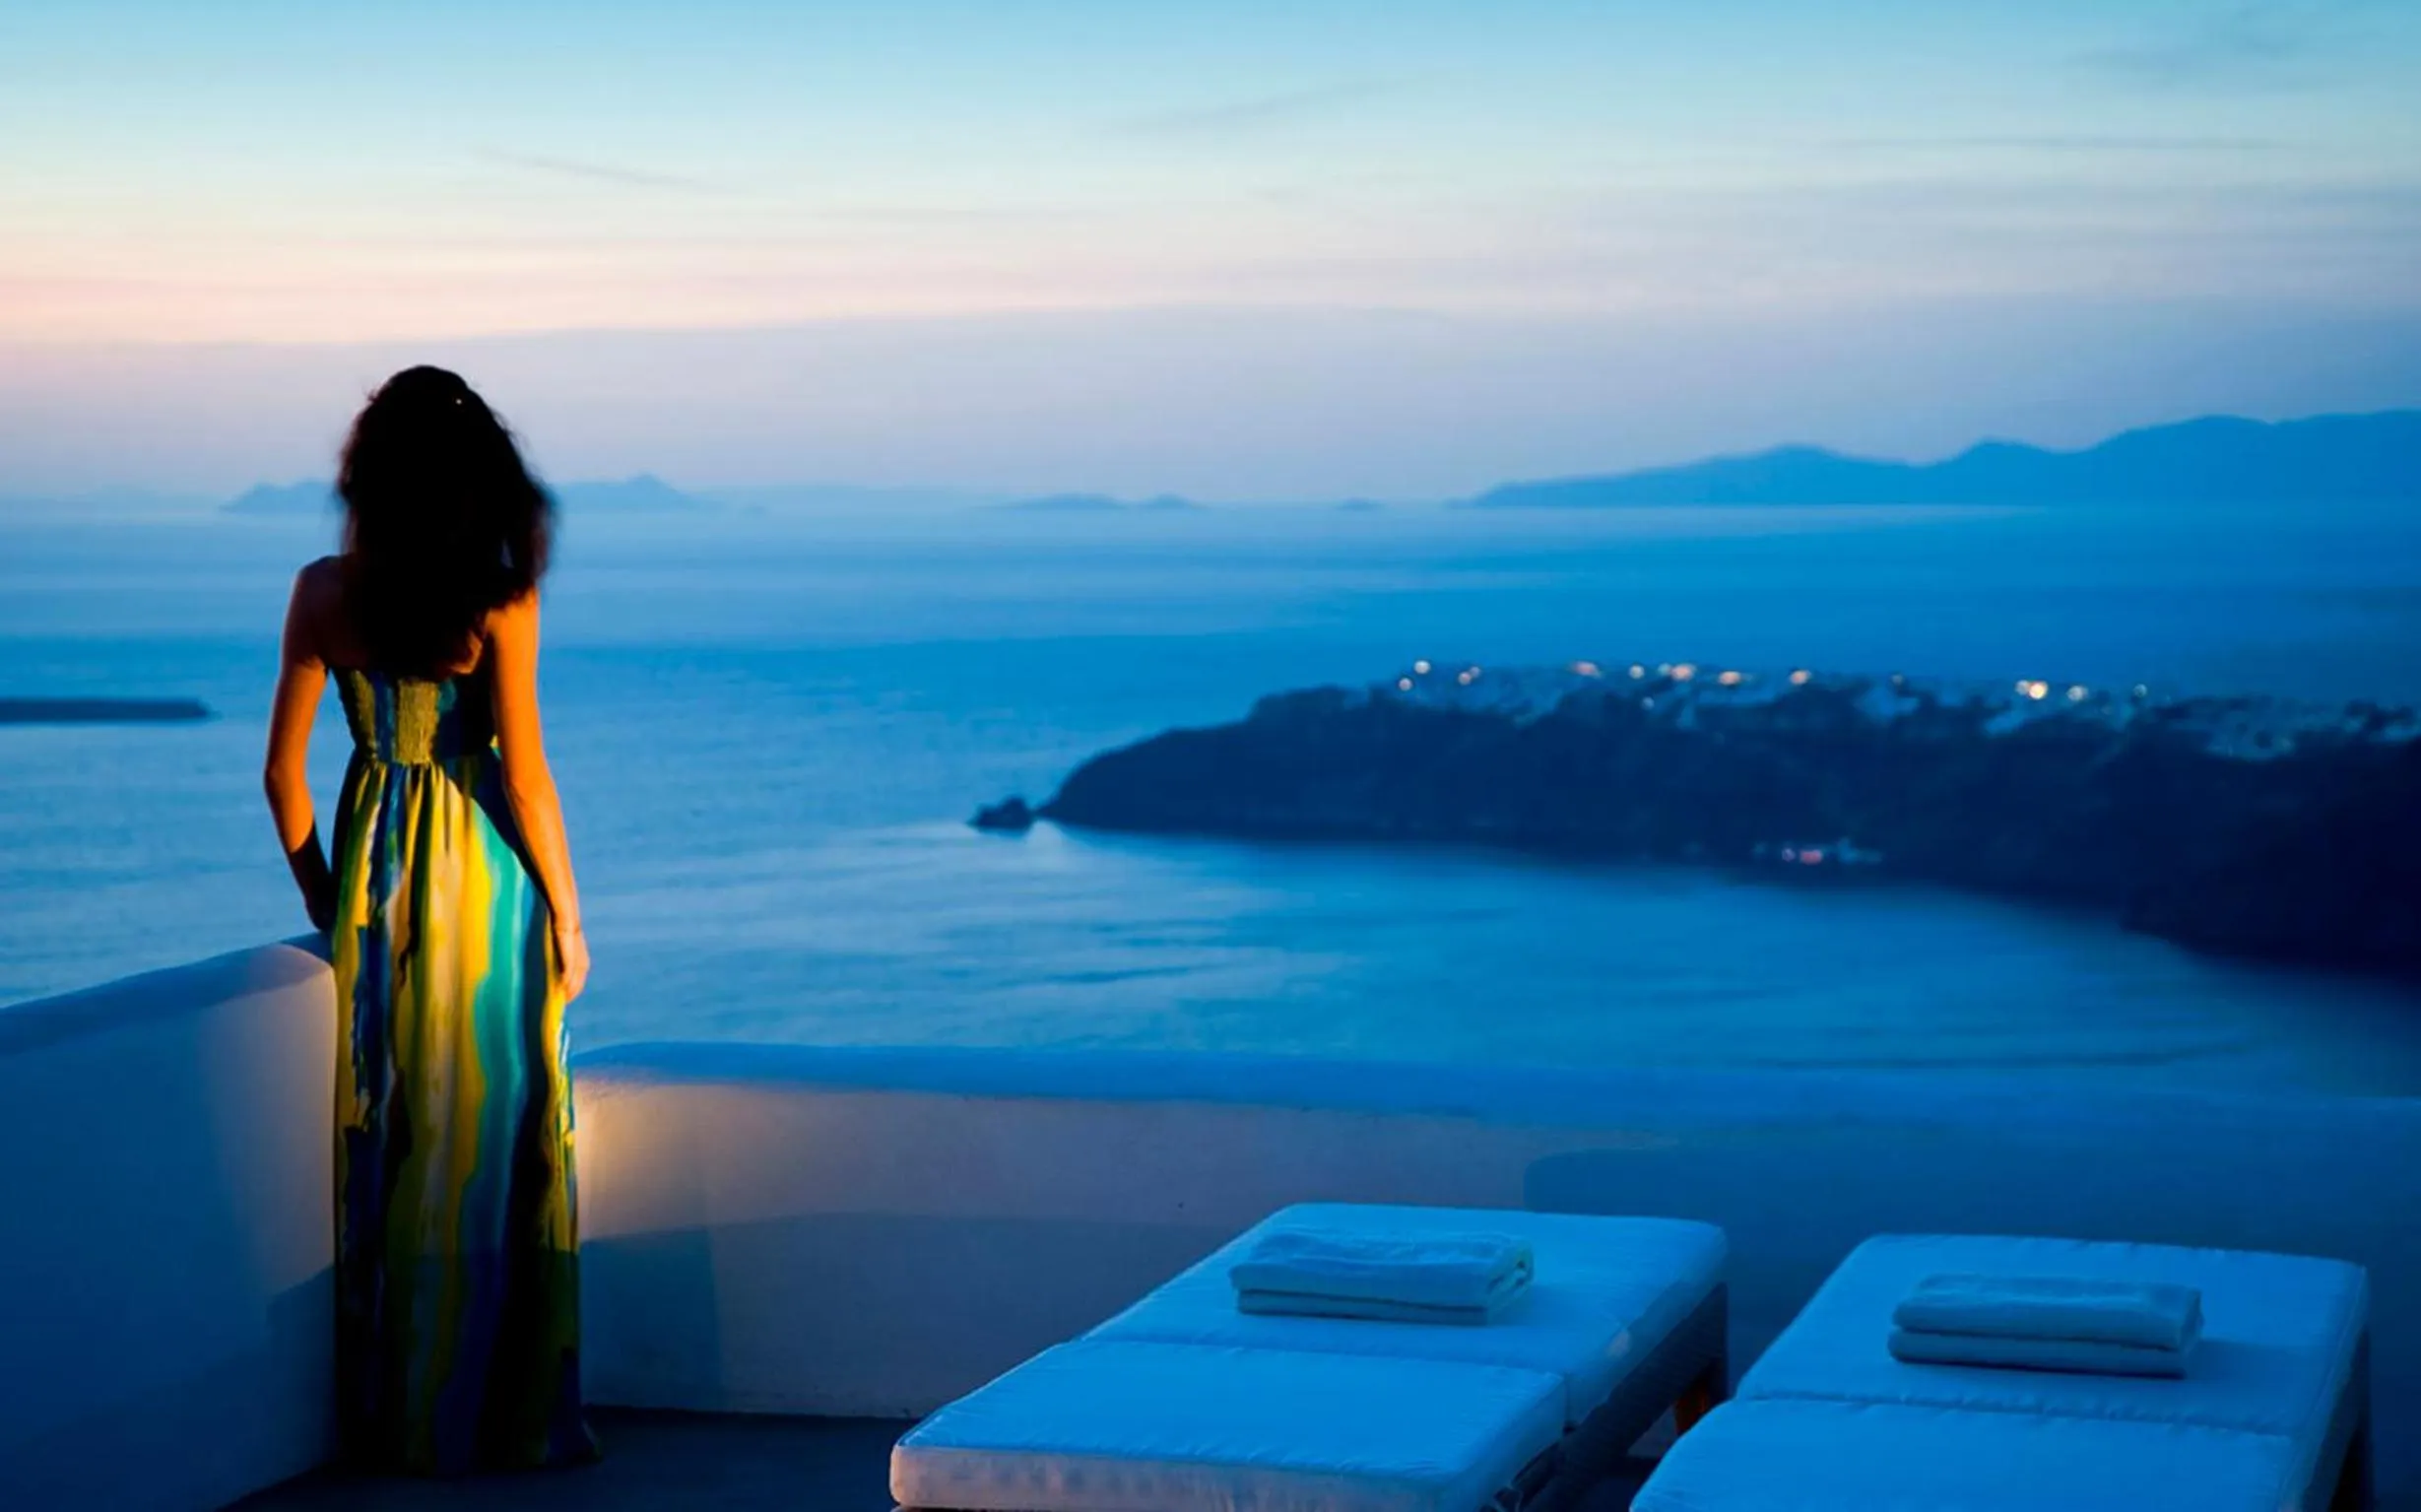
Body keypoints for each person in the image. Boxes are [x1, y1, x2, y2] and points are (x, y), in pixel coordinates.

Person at [262, 365, 597, 1474]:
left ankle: (402, 1412)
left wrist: (331, 894)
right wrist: (570, 916)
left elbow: (281, 780)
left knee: (390, 1132)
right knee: (499, 1127)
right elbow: (528, 777)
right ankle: (507, 1411)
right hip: (486, 879)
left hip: (373, 866)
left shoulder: (320, 591)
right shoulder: (497, 598)